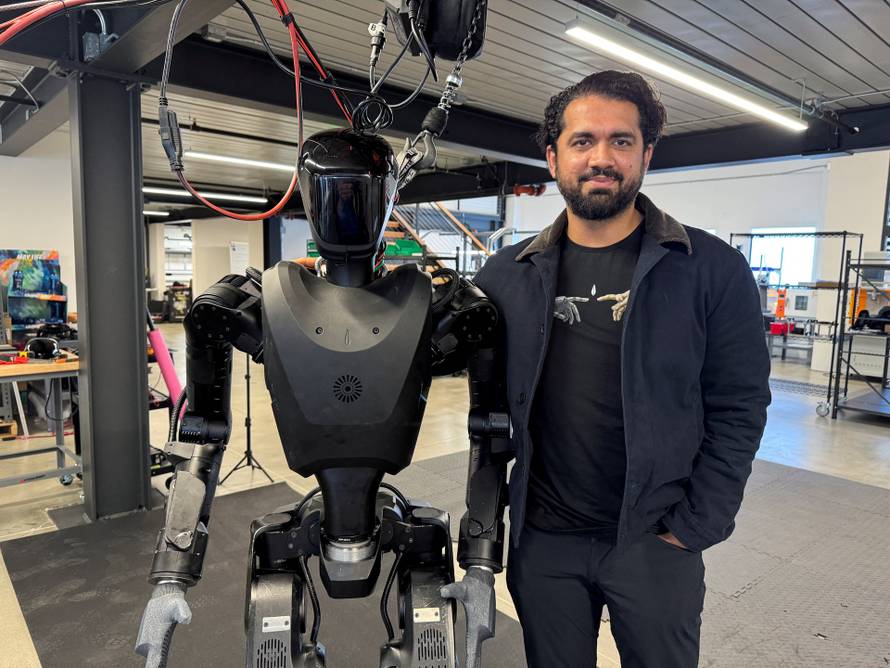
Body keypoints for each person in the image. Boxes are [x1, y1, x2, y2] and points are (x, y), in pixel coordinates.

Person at [471, 71, 771, 667]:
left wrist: (695, 524)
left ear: (646, 153)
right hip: (546, 543)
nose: (601, 158)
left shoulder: (711, 268)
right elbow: (486, 410)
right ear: (553, 155)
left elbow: (739, 405)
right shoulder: (505, 276)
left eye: (621, 141)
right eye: (582, 141)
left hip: (655, 539)